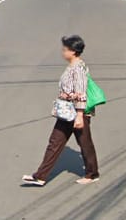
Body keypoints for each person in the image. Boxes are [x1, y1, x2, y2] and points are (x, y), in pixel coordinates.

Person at [22, 35, 100, 187]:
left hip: (77, 112)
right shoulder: (73, 66)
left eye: (65, 49)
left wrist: (79, 115)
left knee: (85, 144)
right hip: (67, 111)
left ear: (73, 51)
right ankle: (40, 176)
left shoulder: (78, 69)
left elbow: (81, 93)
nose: (63, 52)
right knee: (55, 143)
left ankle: (92, 174)